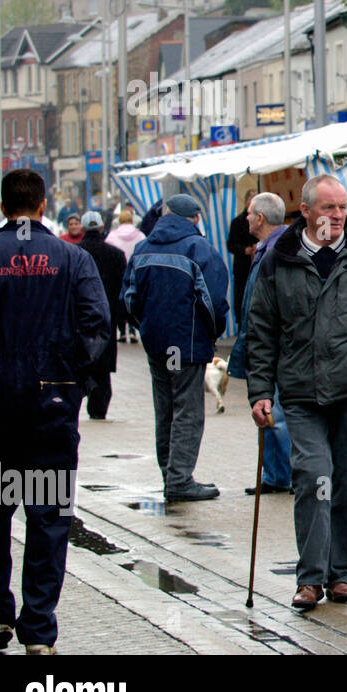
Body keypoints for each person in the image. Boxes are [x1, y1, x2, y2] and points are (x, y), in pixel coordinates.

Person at [245, 174, 347, 611]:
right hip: (300, 395)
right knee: (313, 478)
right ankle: (310, 579)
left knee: (345, 486)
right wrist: (260, 390)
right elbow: (260, 329)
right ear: (306, 211)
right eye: (328, 208)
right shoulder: (278, 260)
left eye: (342, 207)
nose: (337, 216)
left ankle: (341, 574)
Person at [0, 170, 110, 655]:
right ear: (43, 202)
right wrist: (72, 379)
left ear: (4, 205)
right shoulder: (71, 259)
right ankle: (38, 630)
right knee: (49, 517)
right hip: (50, 409)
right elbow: (97, 324)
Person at [122, 193, 230, 503]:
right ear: (195, 218)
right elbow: (214, 302)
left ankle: (170, 474)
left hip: (157, 344)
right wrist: (212, 333)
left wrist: (146, 325)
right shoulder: (198, 249)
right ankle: (180, 479)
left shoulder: (142, 249)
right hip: (187, 343)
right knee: (187, 410)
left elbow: (128, 299)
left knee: (165, 409)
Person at [227, 192, 292, 495]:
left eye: (250, 214)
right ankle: (276, 475)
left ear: (260, 218)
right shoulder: (268, 249)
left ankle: (287, 476)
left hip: (275, 349)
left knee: (275, 414)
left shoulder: (280, 251)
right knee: (266, 411)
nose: (247, 219)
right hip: (265, 347)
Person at [78, 211, 127, 421]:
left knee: (81, 361)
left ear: (82, 229)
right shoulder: (115, 254)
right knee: (103, 366)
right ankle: (98, 408)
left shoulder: (74, 253)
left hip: (79, 318)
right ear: (101, 228)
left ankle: (84, 390)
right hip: (106, 317)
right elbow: (125, 289)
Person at [227, 189, 259, 325]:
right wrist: (244, 250)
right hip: (243, 268)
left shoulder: (261, 220)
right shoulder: (237, 222)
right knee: (241, 299)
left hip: (257, 267)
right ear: (247, 203)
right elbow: (231, 245)